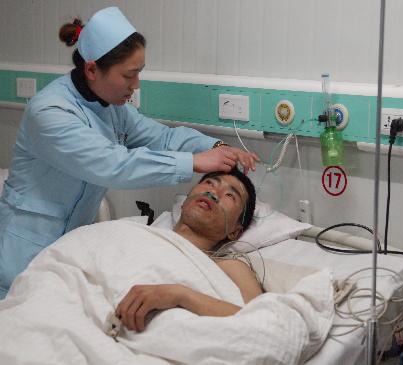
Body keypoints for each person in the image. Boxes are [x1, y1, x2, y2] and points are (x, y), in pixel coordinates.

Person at [0, 7, 259, 299]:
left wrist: (213, 147)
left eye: (139, 72)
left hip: (69, 252)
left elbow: (161, 136)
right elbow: (113, 164)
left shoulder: (112, 108)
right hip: (23, 252)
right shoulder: (49, 111)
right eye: (129, 75)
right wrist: (194, 163)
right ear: (92, 70)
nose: (136, 85)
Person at [116, 168, 263, 332]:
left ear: (235, 231)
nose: (213, 193)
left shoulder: (227, 265)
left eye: (230, 195)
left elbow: (260, 324)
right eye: (209, 183)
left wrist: (180, 295)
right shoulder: (129, 231)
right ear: (185, 202)